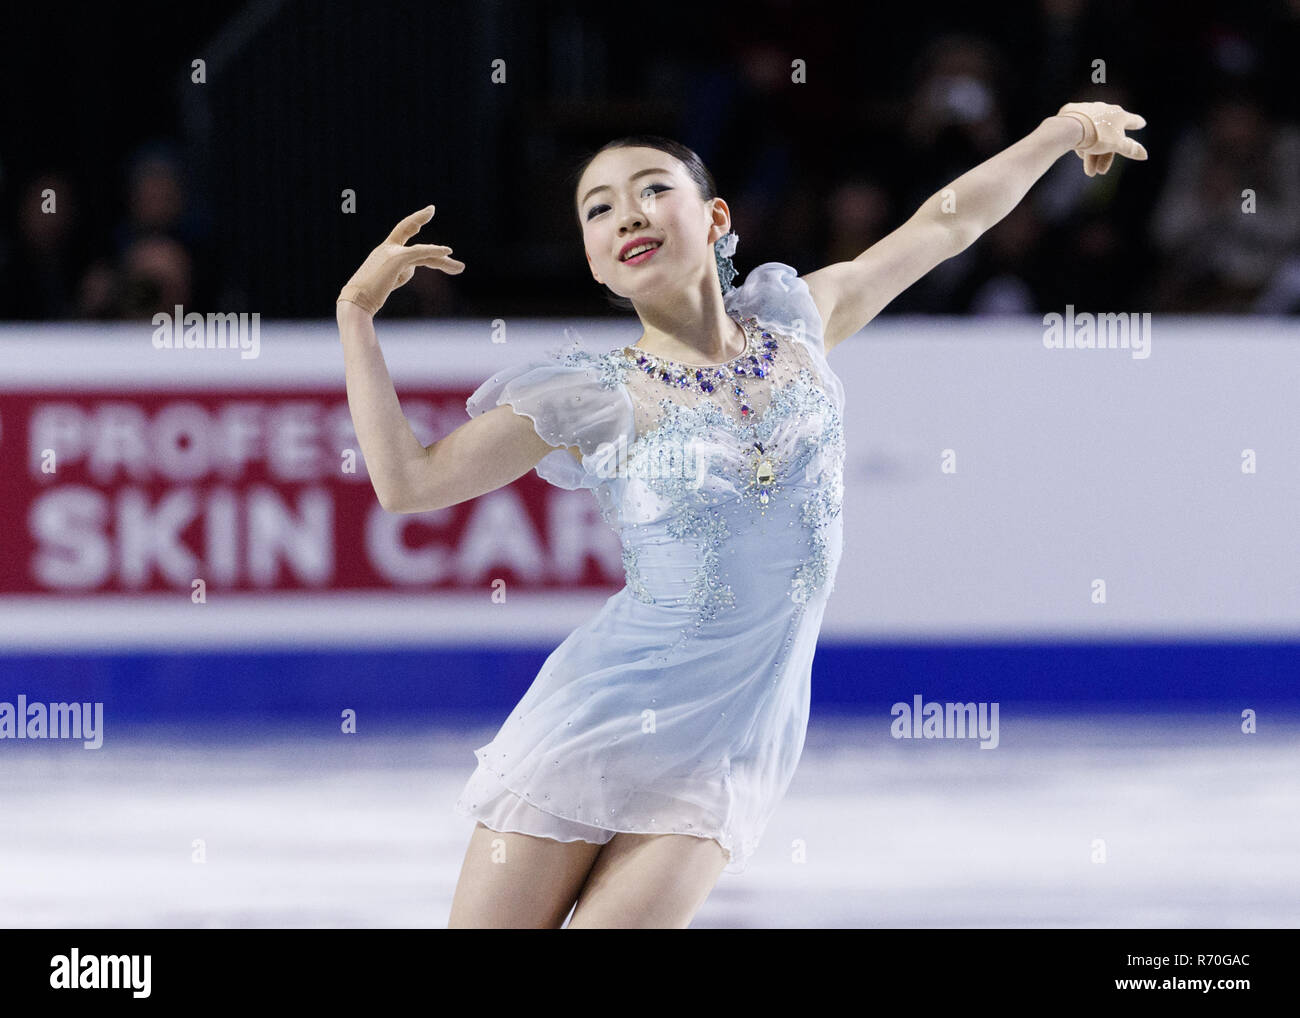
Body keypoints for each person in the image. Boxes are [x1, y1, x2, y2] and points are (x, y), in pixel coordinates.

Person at [334, 102, 1147, 929]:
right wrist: (357, 321)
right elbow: (410, 485)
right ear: (594, 260)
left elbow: (944, 225)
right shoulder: (590, 393)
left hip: (727, 749)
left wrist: (1062, 132)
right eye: (599, 208)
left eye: (652, 189)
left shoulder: (799, 323)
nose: (628, 215)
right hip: (593, 721)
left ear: (716, 217)